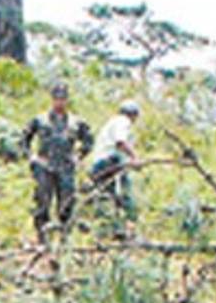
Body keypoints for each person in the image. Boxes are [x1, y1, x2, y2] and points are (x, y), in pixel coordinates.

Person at [21, 84, 93, 243]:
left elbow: (88, 141)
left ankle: (64, 239)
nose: (59, 102)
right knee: (42, 202)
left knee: (67, 204)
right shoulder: (40, 120)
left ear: (67, 100)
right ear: (52, 99)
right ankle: (42, 239)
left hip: (66, 167)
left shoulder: (76, 122)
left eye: (63, 98)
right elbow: (24, 139)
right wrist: (31, 157)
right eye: (56, 98)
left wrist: (79, 156)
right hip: (44, 166)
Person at [90, 100, 141, 231]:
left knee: (107, 197)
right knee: (123, 194)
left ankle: (112, 228)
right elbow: (120, 142)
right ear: (133, 115)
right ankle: (123, 225)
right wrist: (134, 157)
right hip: (110, 161)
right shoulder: (123, 121)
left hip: (99, 163)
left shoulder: (111, 123)